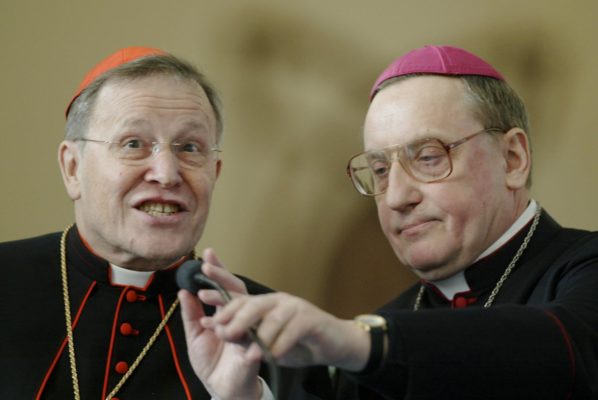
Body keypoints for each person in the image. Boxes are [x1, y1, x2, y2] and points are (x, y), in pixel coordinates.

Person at [182, 45, 598, 399]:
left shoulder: (371, 342)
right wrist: (245, 395)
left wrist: (364, 343)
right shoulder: (377, 337)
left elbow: (566, 350)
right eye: (380, 170)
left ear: (512, 159)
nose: (396, 197)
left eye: (429, 157)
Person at [0, 46, 332, 399]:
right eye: (133, 144)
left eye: (190, 148)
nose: (167, 174)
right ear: (72, 168)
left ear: (215, 173)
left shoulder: (276, 336)